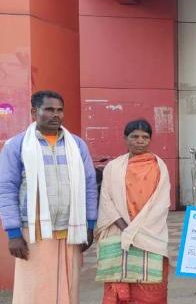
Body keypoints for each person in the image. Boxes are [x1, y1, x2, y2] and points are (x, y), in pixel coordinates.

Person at [0, 90, 98, 304]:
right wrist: (13, 233)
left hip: (71, 228)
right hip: (33, 231)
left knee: (68, 287)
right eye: (49, 109)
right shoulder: (17, 146)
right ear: (34, 112)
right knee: (36, 289)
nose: (56, 115)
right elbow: (6, 189)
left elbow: (89, 185)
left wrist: (90, 225)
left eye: (60, 110)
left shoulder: (76, 145)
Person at [95, 119, 171, 304]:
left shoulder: (158, 166)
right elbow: (106, 200)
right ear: (125, 138)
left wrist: (136, 229)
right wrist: (125, 228)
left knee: (151, 292)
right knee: (119, 289)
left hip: (150, 233)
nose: (140, 141)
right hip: (118, 230)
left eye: (145, 137)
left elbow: (161, 203)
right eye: (134, 136)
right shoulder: (113, 167)